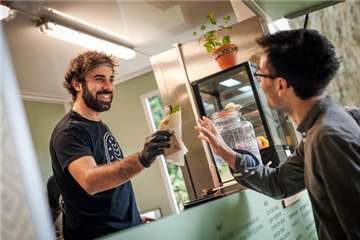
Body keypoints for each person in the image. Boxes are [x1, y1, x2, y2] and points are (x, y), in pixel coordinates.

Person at [195, 29, 360, 239]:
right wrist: (226, 152)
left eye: (260, 75)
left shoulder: (328, 137)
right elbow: (279, 184)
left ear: (281, 85)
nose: (260, 84)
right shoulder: (317, 129)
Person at [50, 51, 171, 240]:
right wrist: (142, 159)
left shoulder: (99, 126)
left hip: (126, 230)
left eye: (111, 79)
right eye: (99, 79)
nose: (108, 87)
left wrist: (133, 220)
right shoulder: (69, 131)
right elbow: (90, 181)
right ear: (77, 84)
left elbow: (110, 191)